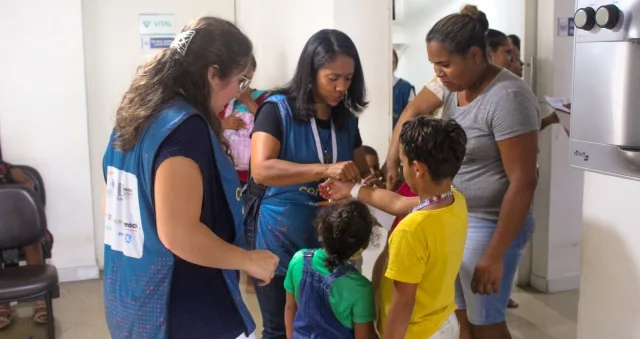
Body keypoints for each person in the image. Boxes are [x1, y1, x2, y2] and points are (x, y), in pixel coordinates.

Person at [100, 16, 279, 339]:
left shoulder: (135, 115)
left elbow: (110, 204)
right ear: (212, 73)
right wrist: (248, 261)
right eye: (239, 81)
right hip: (179, 304)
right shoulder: (184, 129)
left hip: (130, 293)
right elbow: (178, 233)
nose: (237, 94)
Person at [423, 6, 538, 339]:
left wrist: (493, 254)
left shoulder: (508, 96)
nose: (438, 73)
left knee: (487, 322)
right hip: (458, 218)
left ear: (475, 54)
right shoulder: (455, 87)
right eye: (434, 65)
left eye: (445, 64)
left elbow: (524, 180)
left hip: (490, 223)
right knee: (462, 317)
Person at [246, 29, 370, 339]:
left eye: (349, 78)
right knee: (278, 328)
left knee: (326, 328)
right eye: (333, 78)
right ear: (311, 73)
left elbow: (361, 170)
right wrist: (325, 169)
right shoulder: (276, 110)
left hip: (329, 242)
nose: (342, 87)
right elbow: (261, 169)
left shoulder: (346, 119)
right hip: (279, 236)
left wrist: (364, 181)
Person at [320, 117, 469, 339]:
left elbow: (403, 305)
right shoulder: (454, 199)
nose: (401, 169)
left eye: (402, 163)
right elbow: (397, 204)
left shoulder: (410, 231)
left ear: (417, 169)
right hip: (443, 321)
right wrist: (352, 189)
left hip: (415, 332)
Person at [284, 201, 376, 339]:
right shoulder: (360, 287)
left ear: (321, 228)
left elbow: (290, 307)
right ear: (362, 245)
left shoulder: (299, 259)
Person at [0, 146, 49, 328]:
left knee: (32, 241)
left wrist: (23, 187)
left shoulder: (8, 171)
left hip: (17, 224)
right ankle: (2, 304)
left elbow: (30, 185)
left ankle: (39, 301)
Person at [219, 55, 271, 186]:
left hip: (254, 174)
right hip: (227, 170)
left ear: (253, 71)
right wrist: (223, 124)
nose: (242, 75)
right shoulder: (223, 100)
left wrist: (248, 100)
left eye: (246, 70)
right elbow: (208, 126)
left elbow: (269, 123)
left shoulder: (266, 98)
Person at [392, 49, 416, 129]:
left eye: (392, 62)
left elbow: (412, 115)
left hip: (401, 135)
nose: (389, 65)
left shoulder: (406, 88)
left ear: (396, 64)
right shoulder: (374, 88)